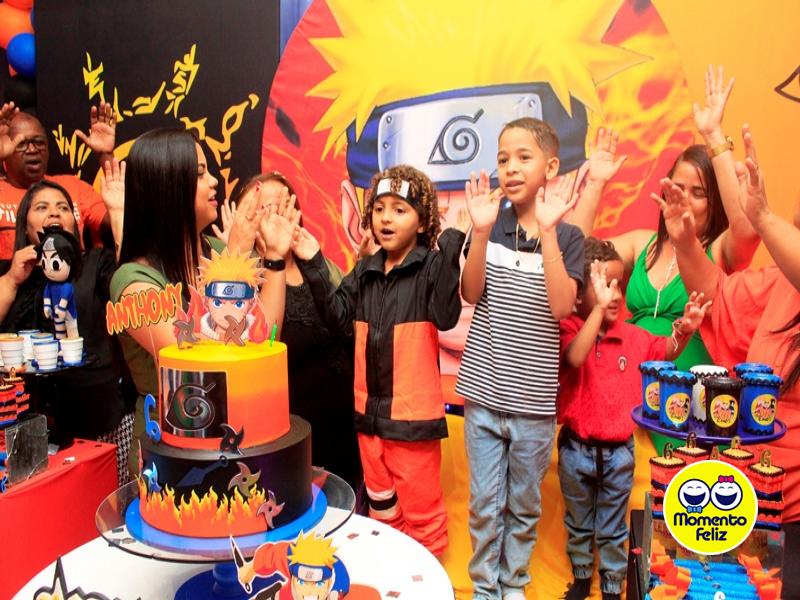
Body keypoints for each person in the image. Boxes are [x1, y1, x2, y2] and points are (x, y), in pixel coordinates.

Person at [291, 164, 467, 556]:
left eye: (400, 210)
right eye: (380, 208)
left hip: (412, 424)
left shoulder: (430, 267)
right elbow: (338, 318)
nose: (386, 218)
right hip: (368, 421)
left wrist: (453, 244)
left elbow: (446, 315)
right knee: (382, 509)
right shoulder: (365, 270)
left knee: (424, 519)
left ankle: (426, 580)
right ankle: (392, 576)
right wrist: (314, 260)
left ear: (423, 222)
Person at [106, 128, 290, 473]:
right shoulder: (133, 282)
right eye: (200, 173)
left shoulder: (217, 252)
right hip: (173, 452)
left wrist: (276, 259)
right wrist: (234, 258)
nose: (214, 182)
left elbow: (264, 337)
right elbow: (195, 365)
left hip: (238, 436)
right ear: (167, 186)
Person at [456, 117, 585, 600]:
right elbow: (470, 293)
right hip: (484, 397)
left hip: (534, 406)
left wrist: (548, 233)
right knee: (485, 506)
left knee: (524, 505)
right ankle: (484, 589)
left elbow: (562, 307)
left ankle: (513, 584)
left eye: (523, 157)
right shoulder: (490, 223)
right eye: (502, 158)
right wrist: (479, 233)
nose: (510, 168)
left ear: (550, 167)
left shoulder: (568, 237)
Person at [570, 66, 760, 374]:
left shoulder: (720, 250)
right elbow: (575, 253)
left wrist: (713, 135)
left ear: (714, 202)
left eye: (698, 193)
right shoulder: (642, 244)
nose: (683, 198)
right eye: (678, 187)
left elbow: (748, 230)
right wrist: (594, 184)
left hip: (689, 394)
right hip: (628, 383)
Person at [657, 126, 800, 527]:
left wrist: (763, 218)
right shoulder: (779, 281)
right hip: (756, 502)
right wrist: (685, 242)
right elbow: (718, 296)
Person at [557, 238, 710, 600]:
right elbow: (575, 356)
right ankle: (581, 576)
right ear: (578, 294)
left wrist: (685, 329)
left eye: (618, 285)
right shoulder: (571, 329)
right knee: (578, 521)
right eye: (602, 285)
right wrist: (595, 313)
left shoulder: (633, 336)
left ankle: (612, 585)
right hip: (576, 448)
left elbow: (665, 351)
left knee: (613, 526)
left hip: (618, 453)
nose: (613, 294)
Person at [218, 172, 362, 490]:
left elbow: (351, 328)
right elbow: (262, 342)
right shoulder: (245, 281)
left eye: (282, 204)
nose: (274, 214)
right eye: (261, 207)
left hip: (345, 432)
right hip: (292, 443)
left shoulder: (318, 262)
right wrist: (251, 255)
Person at [0, 180, 132, 486]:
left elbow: (130, 288)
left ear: (76, 222)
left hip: (102, 422)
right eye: (42, 207)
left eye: (63, 207)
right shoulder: (14, 271)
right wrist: (11, 279)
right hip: (32, 432)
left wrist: (117, 214)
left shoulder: (96, 262)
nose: (54, 212)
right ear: (25, 225)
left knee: (106, 502)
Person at [0, 102, 115, 259]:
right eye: (21, 144)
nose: (32, 150)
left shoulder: (73, 187)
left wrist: (105, 155)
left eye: (39, 142)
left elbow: (121, 221)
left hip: (74, 273)